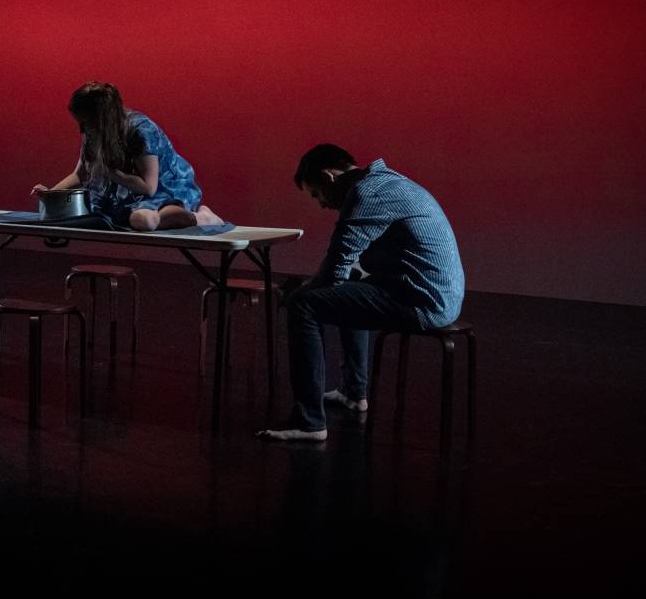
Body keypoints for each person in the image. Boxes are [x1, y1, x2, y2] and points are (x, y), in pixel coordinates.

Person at [260, 144, 464, 442]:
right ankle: (354, 393)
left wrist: (299, 290)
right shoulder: (387, 182)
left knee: (302, 304)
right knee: (345, 289)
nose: (321, 204)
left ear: (329, 177)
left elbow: (335, 268)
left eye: (317, 194)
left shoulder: (367, 195)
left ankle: (309, 422)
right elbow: (345, 271)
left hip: (424, 302)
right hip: (432, 293)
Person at [32, 81, 220, 231]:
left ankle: (202, 218)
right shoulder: (92, 131)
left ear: (101, 118)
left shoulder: (141, 130)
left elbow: (148, 188)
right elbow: (81, 175)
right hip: (126, 192)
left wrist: (110, 172)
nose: (83, 127)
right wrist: (50, 194)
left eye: (86, 121)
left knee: (143, 220)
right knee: (120, 216)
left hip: (165, 188)